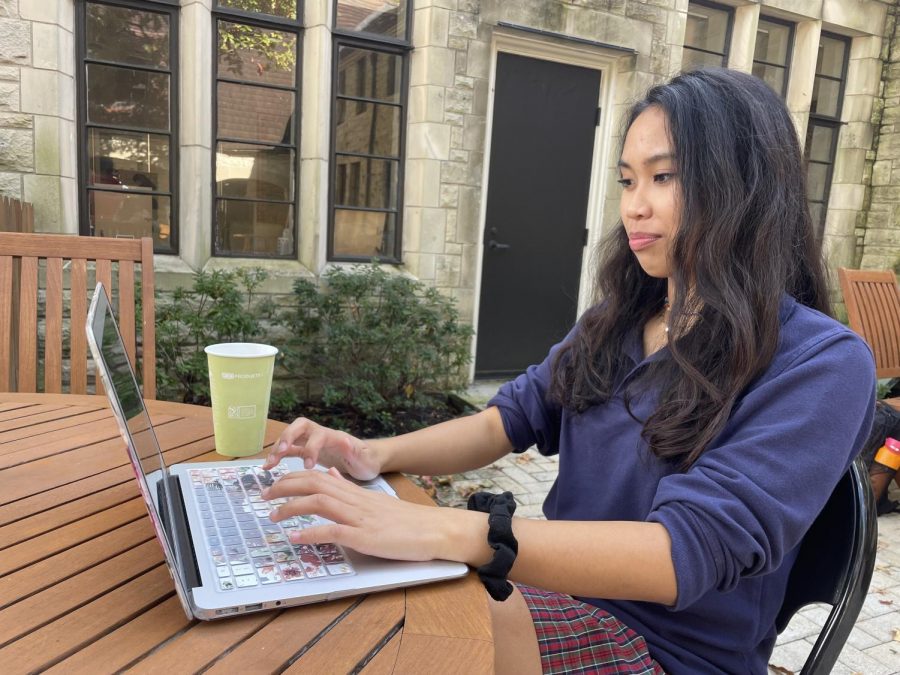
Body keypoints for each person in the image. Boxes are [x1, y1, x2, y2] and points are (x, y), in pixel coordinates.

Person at [261, 67, 876, 674]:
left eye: (663, 177)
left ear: (745, 185)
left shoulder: (820, 363)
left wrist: (443, 529)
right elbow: (510, 418)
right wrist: (373, 454)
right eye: (627, 181)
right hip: (554, 596)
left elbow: (683, 551)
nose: (635, 207)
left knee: (394, 633)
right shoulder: (619, 318)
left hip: (666, 650)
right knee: (344, 592)